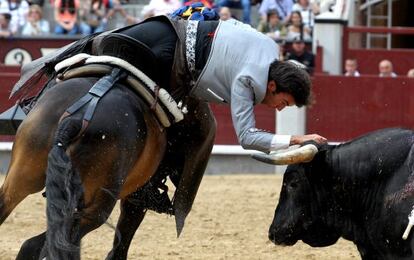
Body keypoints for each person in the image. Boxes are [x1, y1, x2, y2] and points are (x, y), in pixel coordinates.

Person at [12, 10, 327, 154]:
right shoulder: (248, 81)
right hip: (166, 57)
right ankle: (32, 106)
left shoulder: (272, 49)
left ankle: (31, 105)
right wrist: (295, 139)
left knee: (98, 48)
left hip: (169, 30)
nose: (279, 108)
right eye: (283, 102)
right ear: (273, 86)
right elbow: (246, 138)